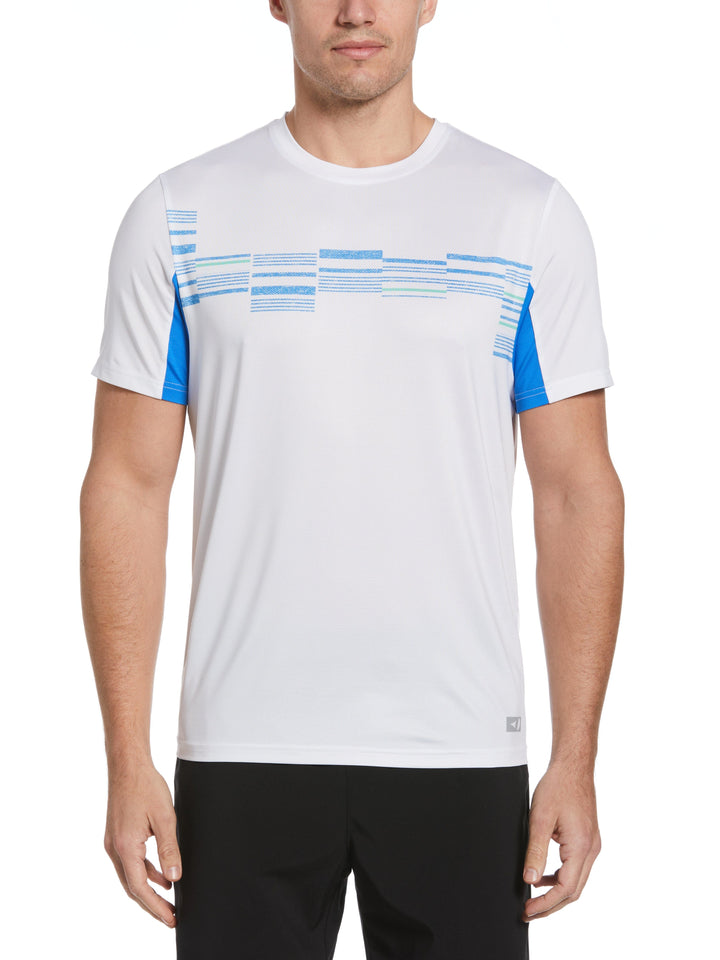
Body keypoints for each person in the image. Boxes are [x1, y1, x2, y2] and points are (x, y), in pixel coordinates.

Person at [79, 1, 624, 957]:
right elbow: (127, 486)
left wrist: (575, 756)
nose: (358, 9)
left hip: (458, 744)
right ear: (277, 1)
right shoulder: (178, 215)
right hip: (244, 746)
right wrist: (127, 758)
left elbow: (577, 491)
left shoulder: (526, 214)